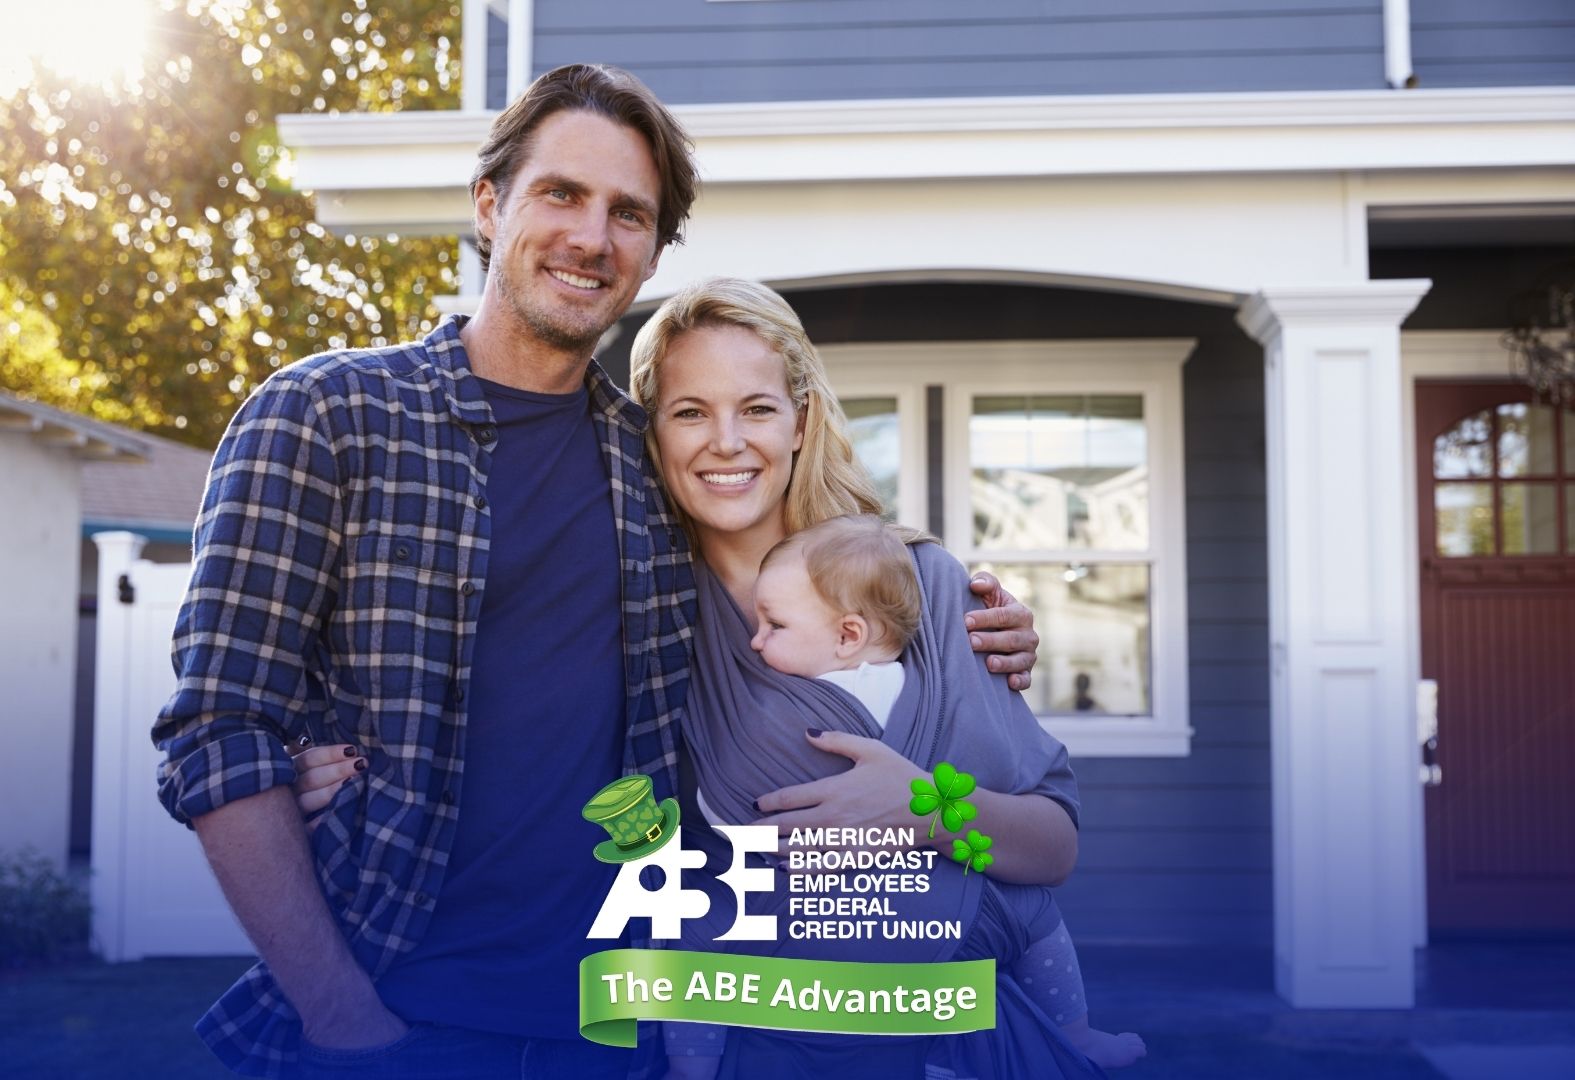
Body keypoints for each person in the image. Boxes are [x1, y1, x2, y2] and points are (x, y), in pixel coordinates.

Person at [155, 64, 1038, 1080]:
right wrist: (343, 1019)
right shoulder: (327, 418)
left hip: (628, 1027)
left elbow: (804, 572)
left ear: (654, 249)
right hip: (397, 1015)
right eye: (561, 194)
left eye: (630, 213)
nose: (592, 237)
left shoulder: (656, 455)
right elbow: (219, 728)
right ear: (489, 205)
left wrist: (966, 617)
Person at [665, 515, 1144, 1077]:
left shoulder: (941, 606)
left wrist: (918, 808)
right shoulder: (908, 659)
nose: (756, 640)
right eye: (692, 416)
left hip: (839, 938)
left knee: (685, 931)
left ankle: (690, 1066)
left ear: (849, 635)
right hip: (912, 938)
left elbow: (1053, 843)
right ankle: (1076, 1032)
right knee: (1034, 915)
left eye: (773, 625)